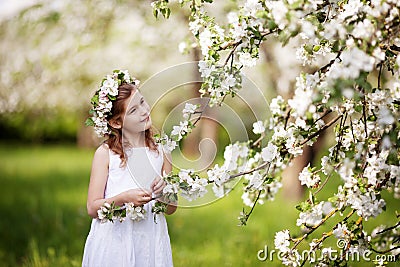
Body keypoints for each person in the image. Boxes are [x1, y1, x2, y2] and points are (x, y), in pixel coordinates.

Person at [82, 70, 176, 267]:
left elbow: (171, 208)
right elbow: (92, 207)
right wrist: (124, 199)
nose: (144, 111)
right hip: (116, 239)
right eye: (133, 110)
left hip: (150, 238)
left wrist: (165, 192)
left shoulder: (162, 151)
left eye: (142, 102)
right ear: (116, 122)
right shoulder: (106, 154)